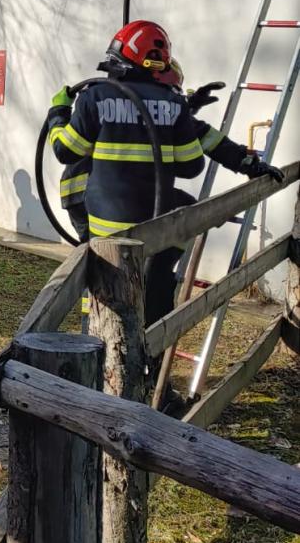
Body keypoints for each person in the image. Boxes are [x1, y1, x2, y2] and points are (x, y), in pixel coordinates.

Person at [47, 19, 283, 343]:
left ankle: (109, 356)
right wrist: (185, 120)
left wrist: (58, 113)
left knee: (112, 292)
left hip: (106, 221)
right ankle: (139, 361)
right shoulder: (170, 107)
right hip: (145, 222)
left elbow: (65, 149)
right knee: (141, 293)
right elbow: (191, 163)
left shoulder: (97, 97)